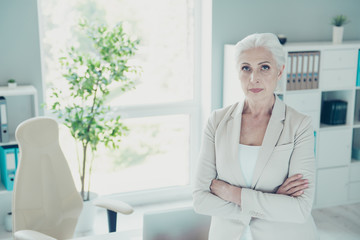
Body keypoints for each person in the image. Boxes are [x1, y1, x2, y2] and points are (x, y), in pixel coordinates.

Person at [192, 33, 318, 240]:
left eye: (264, 67)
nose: (254, 78)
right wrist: (272, 202)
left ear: (280, 71)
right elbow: (200, 200)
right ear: (238, 72)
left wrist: (233, 194)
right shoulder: (217, 121)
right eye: (246, 68)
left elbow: (300, 209)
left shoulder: (299, 125)